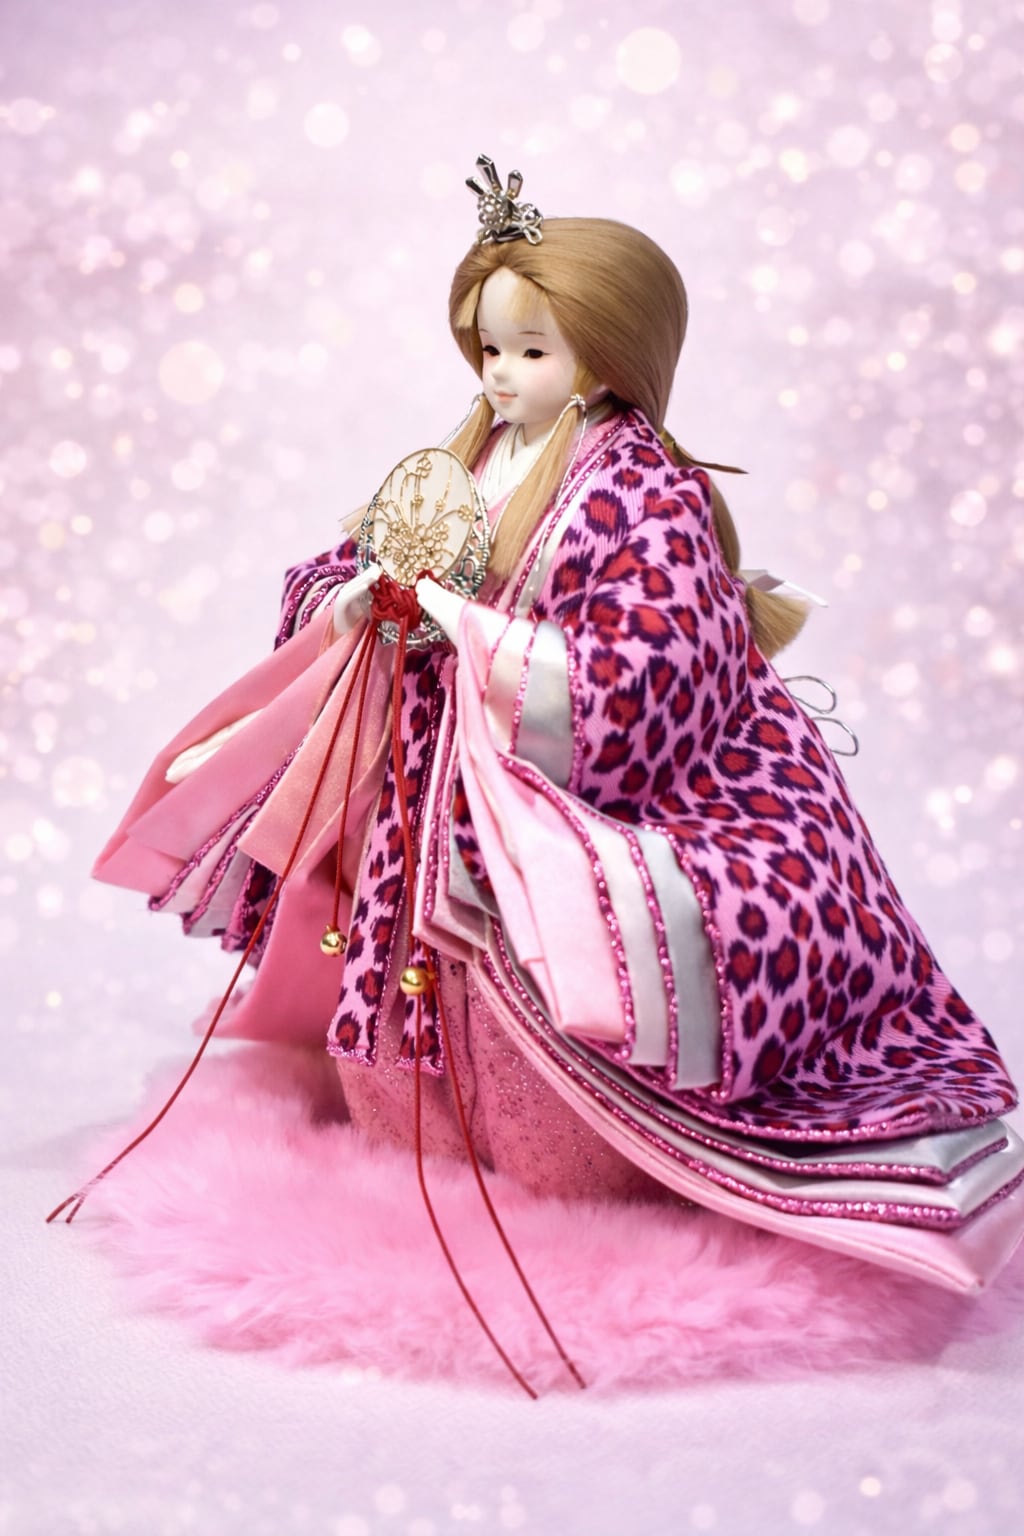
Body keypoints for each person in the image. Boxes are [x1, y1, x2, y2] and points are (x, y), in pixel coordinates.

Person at [93, 156, 1024, 1299]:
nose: (499, 374)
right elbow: (338, 563)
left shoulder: (647, 491)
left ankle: (577, 1143)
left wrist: (467, 631)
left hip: (556, 791)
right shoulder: (465, 459)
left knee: (543, 1006)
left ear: (609, 351)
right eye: (488, 348)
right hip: (422, 776)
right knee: (396, 985)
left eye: (530, 351)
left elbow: (650, 669)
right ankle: (406, 1108)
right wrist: (355, 602)